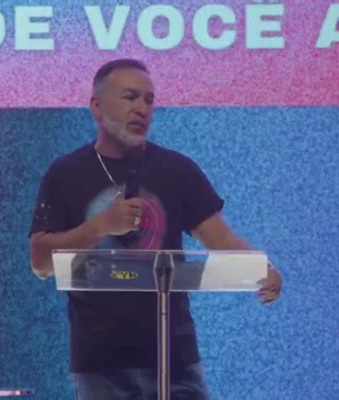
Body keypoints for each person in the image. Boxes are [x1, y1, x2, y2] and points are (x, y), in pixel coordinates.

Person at [29, 58, 282, 400]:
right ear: (96, 106)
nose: (142, 109)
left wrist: (261, 266)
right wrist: (102, 225)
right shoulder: (64, 173)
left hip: (175, 358)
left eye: (149, 100)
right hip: (101, 364)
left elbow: (220, 237)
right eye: (130, 97)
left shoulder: (178, 170)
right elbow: (40, 262)